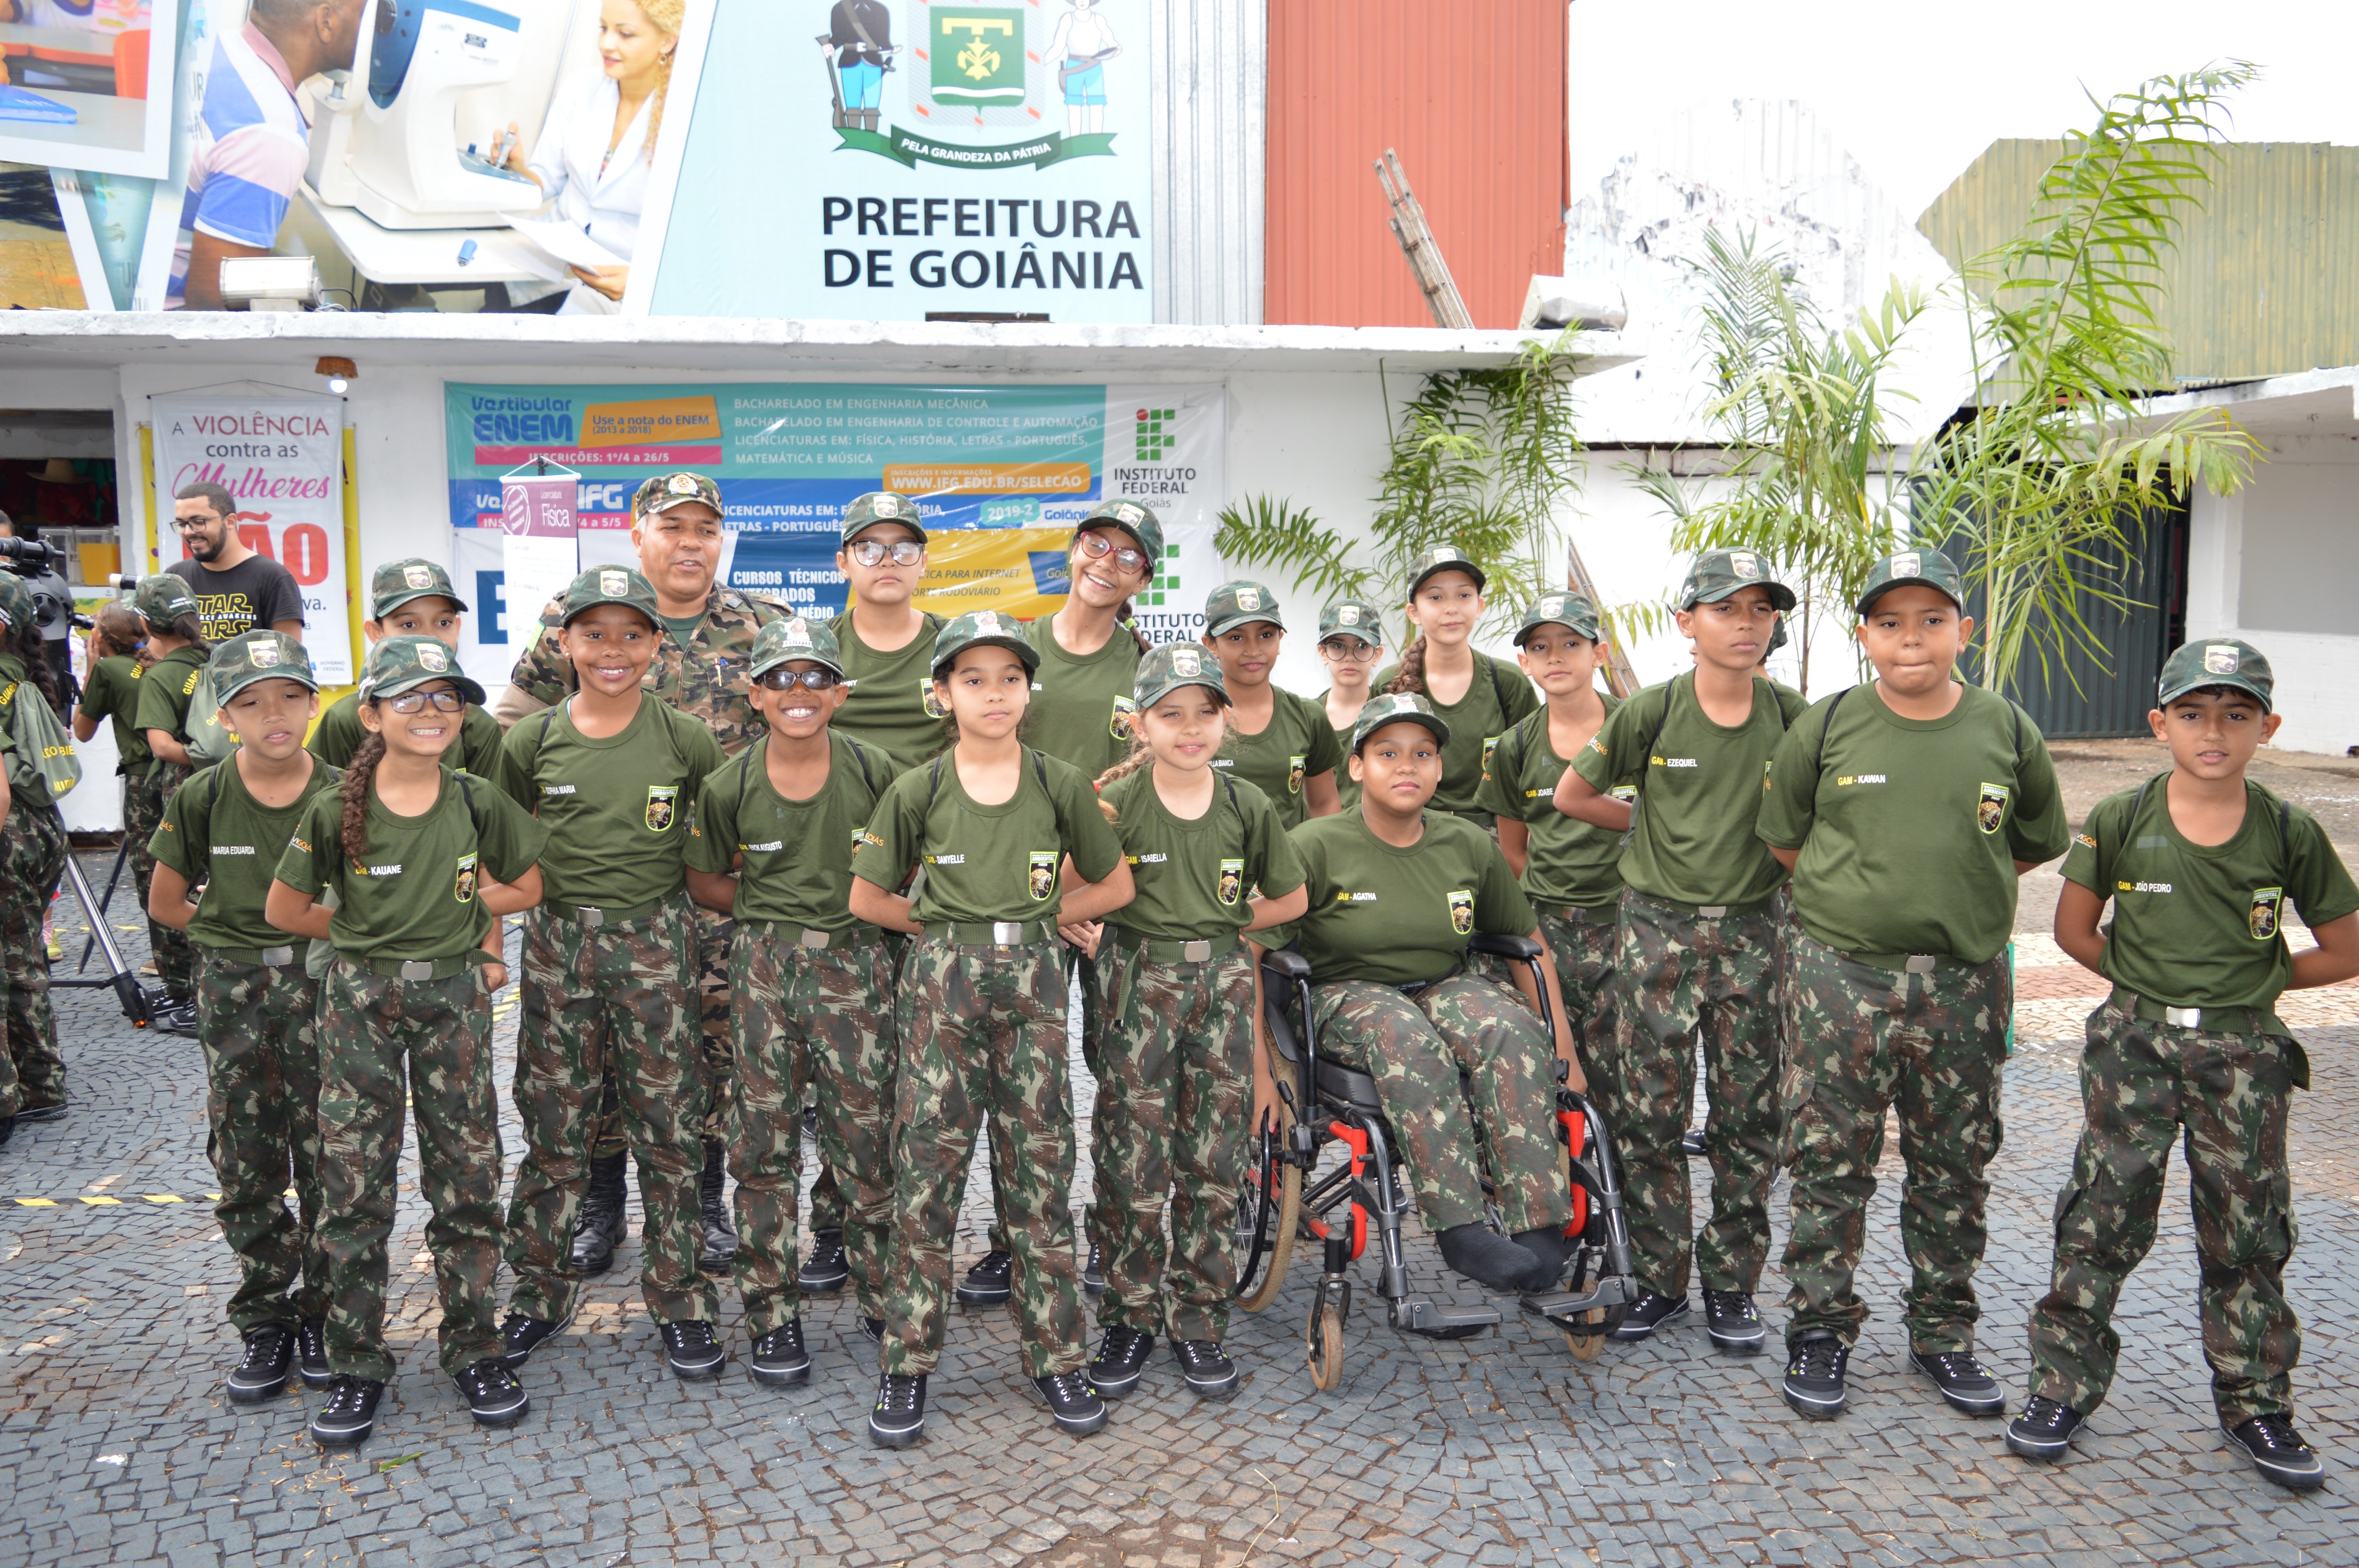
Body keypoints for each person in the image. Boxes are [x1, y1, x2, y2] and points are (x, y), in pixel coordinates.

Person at [2010, 638, 2359, 1490]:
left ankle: (2257, 1403)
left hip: (2244, 1057)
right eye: (2196, 713)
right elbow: (2073, 931)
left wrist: (2260, 979)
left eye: (2237, 714)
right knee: (2100, 1215)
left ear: (2267, 726)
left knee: (2247, 1231)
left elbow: (2347, 945)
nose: (2216, 731)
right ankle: (2061, 1386)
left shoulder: (2290, 828)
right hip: (2134, 1046)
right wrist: (2149, 988)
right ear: (2160, 722)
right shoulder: (2126, 816)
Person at [1754, 548, 2068, 1419]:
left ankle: (1943, 1333)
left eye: (1932, 619)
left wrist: (1952, 890)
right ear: (1865, 636)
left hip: (1965, 983)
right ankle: (1819, 1331)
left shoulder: (2005, 728)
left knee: (1955, 1164)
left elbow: (2035, 839)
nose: (1912, 638)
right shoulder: (1827, 725)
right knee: (1829, 1159)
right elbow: (1787, 841)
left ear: (1965, 630)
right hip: (1841, 979)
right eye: (1890, 622)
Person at [848, 610, 1136, 1448]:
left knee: (1040, 1173)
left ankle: (1058, 1357)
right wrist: (945, 927)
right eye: (972, 678)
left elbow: (1112, 884)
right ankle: (906, 1362)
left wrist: (1042, 917)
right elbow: (868, 898)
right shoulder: (919, 788)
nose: (994, 692)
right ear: (942, 694)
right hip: (943, 986)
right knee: (927, 1174)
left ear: (1029, 689)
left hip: (1036, 986)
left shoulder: (1059, 782)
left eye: (1009, 676)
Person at [495, 472, 788, 1283]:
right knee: (597, 1056)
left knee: (710, 1050)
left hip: (719, 890)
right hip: (602, 894)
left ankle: (698, 1202)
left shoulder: (766, 623)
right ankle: (599, 1203)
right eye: (673, 526)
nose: (691, 541)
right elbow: (511, 730)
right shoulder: (573, 614)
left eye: (705, 527)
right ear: (637, 532)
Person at [264, 636, 547, 1448]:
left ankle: (475, 1344)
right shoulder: (332, 809)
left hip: (453, 994)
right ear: (371, 715)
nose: (432, 710)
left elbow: (528, 882)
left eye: (446, 697)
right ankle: (356, 1361)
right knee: (353, 1184)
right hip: (359, 998)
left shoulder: (475, 797)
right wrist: (362, 928)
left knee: (467, 1173)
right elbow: (286, 909)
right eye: (410, 697)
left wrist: (456, 914)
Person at [1553, 548, 1803, 1353]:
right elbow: (1574, 794)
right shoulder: (1651, 711)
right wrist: (1653, 826)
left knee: (1746, 1116)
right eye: (1727, 609)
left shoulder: (1797, 718)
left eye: (1761, 610)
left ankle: (1732, 1284)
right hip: (1655, 931)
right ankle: (1659, 1278)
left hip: (1753, 933)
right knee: (1650, 1113)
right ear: (1686, 622)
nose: (1745, 624)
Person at [492, 568, 728, 1384]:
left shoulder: (686, 740)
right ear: (564, 643)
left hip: (659, 942)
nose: (614, 650)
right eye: (595, 633)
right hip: (560, 946)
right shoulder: (529, 743)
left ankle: (681, 1296)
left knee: (671, 1124)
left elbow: (710, 846)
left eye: (633, 633)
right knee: (556, 1125)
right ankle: (538, 1289)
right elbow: (501, 848)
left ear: (659, 645)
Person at [1287, 691, 1581, 1294]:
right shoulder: (1315, 844)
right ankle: (1460, 1227)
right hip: (1343, 989)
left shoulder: (1466, 843)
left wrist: (1565, 1050)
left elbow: (1526, 941)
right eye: (1387, 751)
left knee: (1508, 1026)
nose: (1407, 766)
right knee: (1405, 1035)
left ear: (1440, 768)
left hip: (1442, 982)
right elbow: (1261, 949)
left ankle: (1538, 1226)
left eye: (1423, 753)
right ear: (1357, 765)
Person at [1081, 643, 1307, 1402]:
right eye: (1169, 714)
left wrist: (1227, 923)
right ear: (1139, 722)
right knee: (1131, 1155)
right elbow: (1074, 884)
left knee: (1213, 1159)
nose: (1188, 728)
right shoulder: (1114, 802)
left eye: (1203, 713)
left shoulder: (1248, 805)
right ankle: (1128, 1314)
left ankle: (1200, 1316)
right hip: (1136, 981)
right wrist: (1081, 922)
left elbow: (1291, 900)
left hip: (1221, 980)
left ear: (1225, 720)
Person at [684, 615, 895, 1383]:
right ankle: (771, 1314)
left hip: (857, 967)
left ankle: (881, 1294)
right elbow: (706, 878)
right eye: (781, 677)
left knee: (865, 1141)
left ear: (839, 691)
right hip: (764, 973)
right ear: (755, 692)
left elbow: (905, 865)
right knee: (762, 1148)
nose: (798, 692)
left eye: (814, 677)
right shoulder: (728, 783)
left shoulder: (877, 771)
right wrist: (776, 912)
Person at [145, 632, 342, 1404]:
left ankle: (326, 1314)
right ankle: (266, 1317)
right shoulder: (203, 794)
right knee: (246, 1162)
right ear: (227, 715)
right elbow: (165, 903)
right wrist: (229, 929)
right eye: (253, 702)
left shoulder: (342, 789)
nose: (275, 715)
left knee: (332, 1157)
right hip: (233, 997)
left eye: (290, 696)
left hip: (322, 989)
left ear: (314, 701)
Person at [791, 491, 944, 1296]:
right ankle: (836, 1227)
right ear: (842, 561)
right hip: (834, 882)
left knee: (912, 1079)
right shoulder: (820, 644)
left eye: (903, 547)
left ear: (925, 560)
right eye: (870, 547)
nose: (888, 561)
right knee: (837, 1074)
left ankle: (908, 1223)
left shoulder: (952, 644)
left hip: (925, 890)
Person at [1476, 595, 1627, 1089]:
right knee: (1556, 1067)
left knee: (1628, 1067)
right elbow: (1513, 848)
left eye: (1570, 643)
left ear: (1598, 653)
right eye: (1540, 647)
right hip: (1550, 930)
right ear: (1525, 663)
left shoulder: (1637, 728)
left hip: (1629, 925)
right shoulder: (1515, 746)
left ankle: (1618, 1168)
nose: (1555, 657)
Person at [170, 0, 366, 310]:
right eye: (366, 12)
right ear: (326, 22)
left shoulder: (220, 47)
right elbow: (210, 306)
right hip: (155, 323)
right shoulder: (270, 134)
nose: (375, 31)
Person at [501, 0, 683, 313]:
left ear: (667, 41)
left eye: (625, 34)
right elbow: (546, 180)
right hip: (548, 265)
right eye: (603, 28)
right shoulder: (581, 87)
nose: (606, 44)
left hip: (614, 289)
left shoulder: (686, 115)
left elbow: (691, 237)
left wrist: (643, 279)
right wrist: (518, 170)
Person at [1373, 545, 1540, 830]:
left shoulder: (1507, 681)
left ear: (1480, 606)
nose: (1451, 608)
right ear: (1413, 612)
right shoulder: (1389, 684)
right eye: (1436, 597)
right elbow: (1376, 773)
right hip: (1413, 834)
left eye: (1464, 595)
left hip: (1493, 837)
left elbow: (1533, 770)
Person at [310, 560, 502, 777]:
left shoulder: (480, 727)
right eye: (409, 624)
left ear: (457, 628)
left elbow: (490, 806)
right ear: (376, 632)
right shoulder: (345, 719)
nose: (429, 637)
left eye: (443, 623)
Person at [0, 574, 70, 1133]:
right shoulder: (21, 675)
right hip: (42, 826)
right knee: (25, 957)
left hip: (8, 832)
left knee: (12, 962)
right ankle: (41, 1080)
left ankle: (21, 1088)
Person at [130, 573, 213, 1031]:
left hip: (181, 787)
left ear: (146, 622)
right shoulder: (215, 659)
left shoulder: (161, 675)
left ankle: (184, 990)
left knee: (170, 884)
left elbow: (162, 747)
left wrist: (201, 755)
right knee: (212, 880)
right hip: (229, 784)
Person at [1197, 580, 1341, 830]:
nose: (1253, 650)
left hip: (1289, 867)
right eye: (1236, 637)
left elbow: (1325, 804)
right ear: (1211, 645)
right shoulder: (1192, 721)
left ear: (1280, 638)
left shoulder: (1307, 717)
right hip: (1209, 866)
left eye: (1265, 636)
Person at [75, 601, 155, 967]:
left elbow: (83, 730)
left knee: (150, 871)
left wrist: (92, 668)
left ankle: (166, 962)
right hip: (179, 773)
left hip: (142, 778)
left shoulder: (109, 670)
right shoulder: (156, 664)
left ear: (102, 637)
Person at [165, 482, 306, 643]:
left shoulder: (273, 577)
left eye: (199, 522)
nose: (188, 532)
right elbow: (159, 653)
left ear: (230, 521)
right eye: (182, 524)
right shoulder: (174, 579)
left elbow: (289, 656)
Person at [1317, 598, 1385, 815]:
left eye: (1362, 646)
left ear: (1377, 655)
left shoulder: (1392, 713)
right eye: (1338, 646)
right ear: (1322, 653)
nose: (1349, 657)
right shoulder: (1308, 717)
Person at [1046, 0, 1120, 138]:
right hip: (1073, 66)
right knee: (1073, 106)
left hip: (1094, 68)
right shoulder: (1067, 19)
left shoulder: (1099, 19)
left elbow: (1111, 41)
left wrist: (1116, 47)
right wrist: (1042, 62)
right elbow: (1058, 47)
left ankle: (1096, 141)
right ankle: (1074, 140)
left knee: (1097, 105)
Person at [820, 0, 893, 133]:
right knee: (852, 105)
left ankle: (871, 136)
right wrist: (829, 46)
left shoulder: (880, 10)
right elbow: (837, 37)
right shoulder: (839, 9)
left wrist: (891, 49)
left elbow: (884, 40)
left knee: (872, 104)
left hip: (874, 60)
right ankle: (854, 135)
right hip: (849, 60)